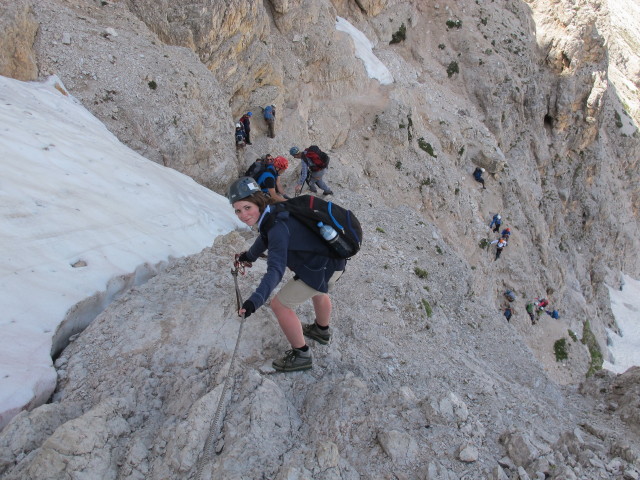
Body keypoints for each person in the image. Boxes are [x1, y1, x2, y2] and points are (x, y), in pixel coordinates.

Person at [229, 177, 346, 372]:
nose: (243, 215)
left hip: (320, 268)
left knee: (279, 305)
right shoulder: (274, 210)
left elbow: (275, 270)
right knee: (319, 291)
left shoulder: (276, 226)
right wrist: (249, 256)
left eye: (247, 208)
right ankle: (321, 331)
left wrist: (254, 302)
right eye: (238, 210)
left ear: (258, 201)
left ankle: (301, 354)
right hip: (333, 262)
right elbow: (265, 237)